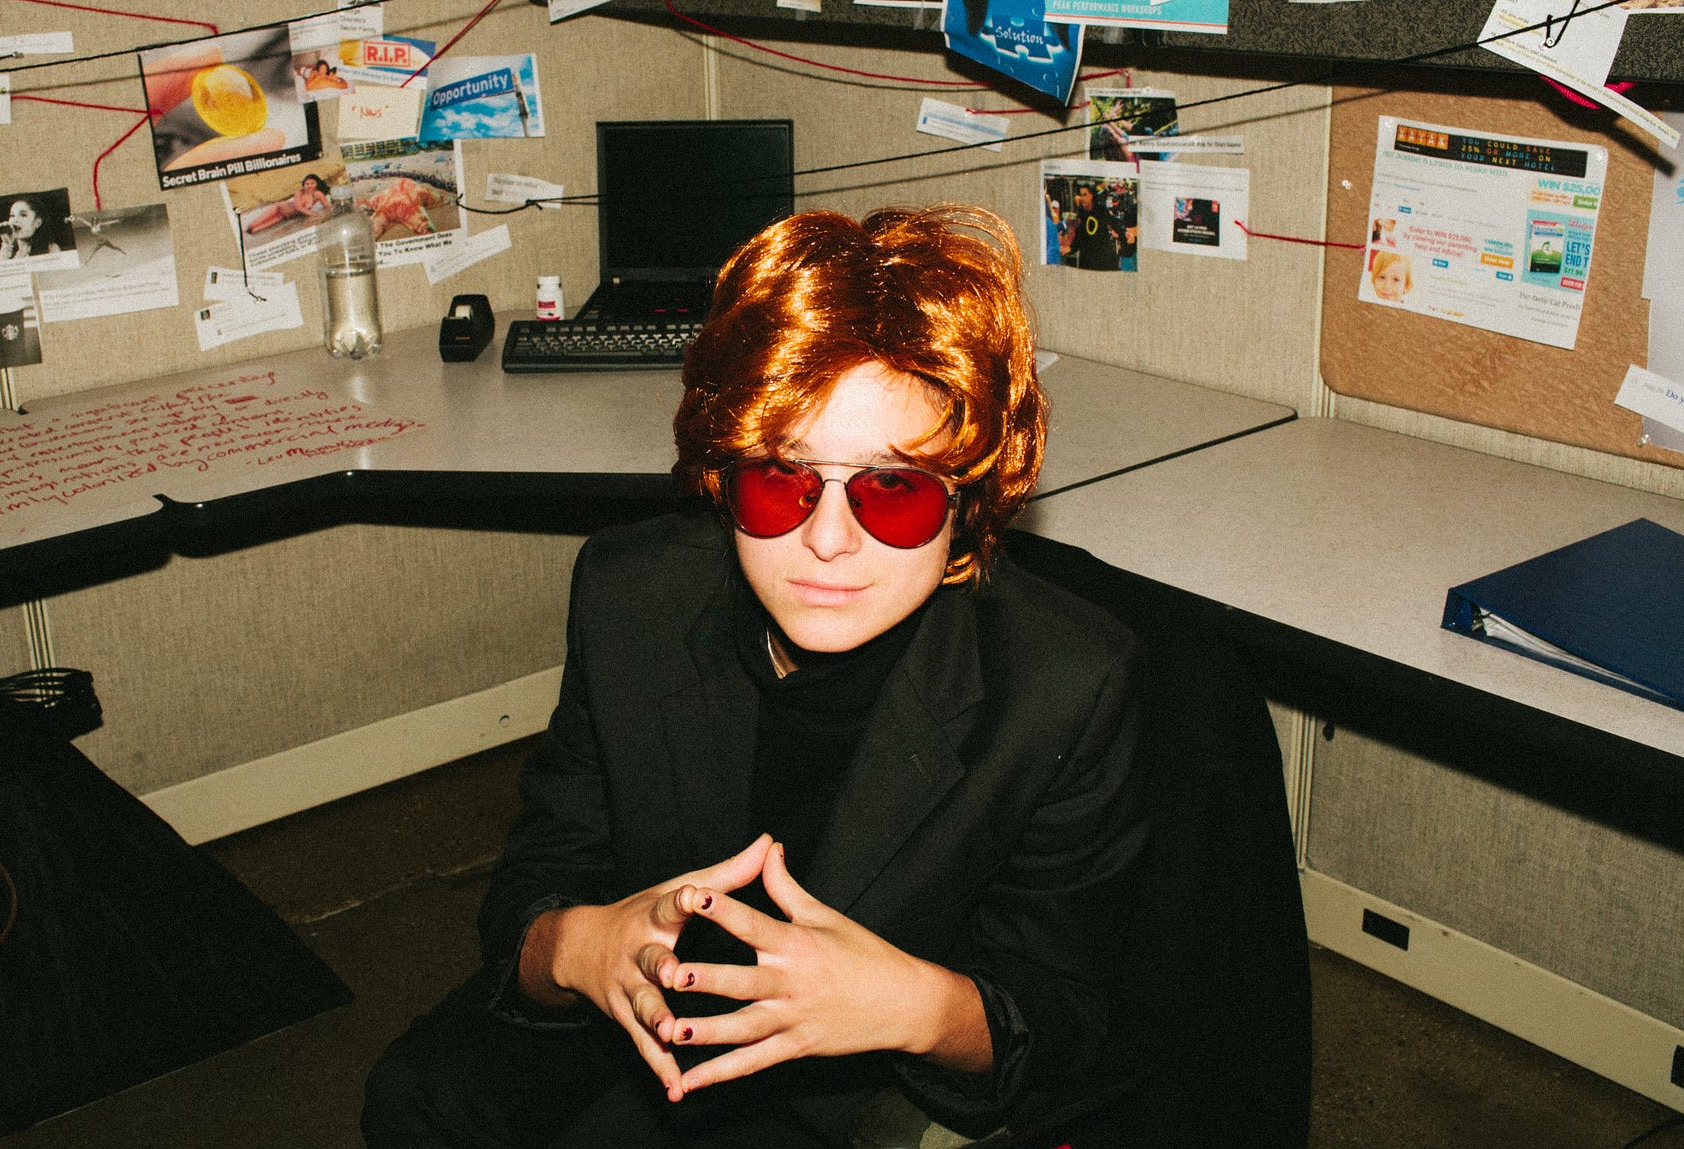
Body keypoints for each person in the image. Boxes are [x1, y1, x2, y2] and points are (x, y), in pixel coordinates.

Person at [362, 205, 1153, 1147]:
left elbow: (1062, 1021)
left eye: (893, 488)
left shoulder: (1063, 688)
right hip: (637, 1017)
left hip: (860, 1076)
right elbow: (536, 881)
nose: (828, 540)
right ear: (723, 474)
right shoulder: (630, 597)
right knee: (413, 1097)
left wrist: (910, 1003)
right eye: (782, 477)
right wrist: (579, 945)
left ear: (968, 505)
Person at [244, 174, 331, 234]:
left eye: (312, 183)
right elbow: (298, 207)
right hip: (278, 207)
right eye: (307, 184)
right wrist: (313, 213)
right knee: (252, 226)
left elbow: (326, 205)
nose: (309, 186)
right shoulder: (299, 192)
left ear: (317, 184)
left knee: (255, 230)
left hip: (283, 216)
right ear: (304, 185)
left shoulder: (318, 194)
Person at [0, 197, 66, 261]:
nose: (15, 220)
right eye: (12, 215)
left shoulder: (51, 248)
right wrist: (7, 245)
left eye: (23, 215)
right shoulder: (9, 252)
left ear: (38, 222)